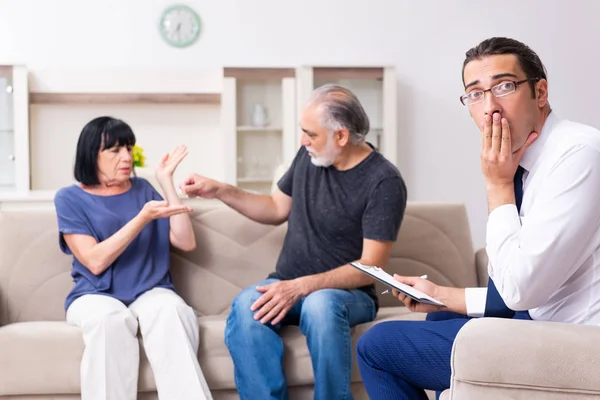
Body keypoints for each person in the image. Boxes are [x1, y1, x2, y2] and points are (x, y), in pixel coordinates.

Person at [356, 36, 600, 399]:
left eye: (504, 86)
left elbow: (520, 292)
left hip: (571, 340)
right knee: (439, 317)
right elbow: (515, 286)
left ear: (541, 92)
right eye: (475, 93)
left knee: (377, 346)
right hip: (540, 316)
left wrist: (498, 186)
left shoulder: (578, 156)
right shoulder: (525, 161)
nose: (490, 108)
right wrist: (439, 294)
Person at [180, 84, 407, 400]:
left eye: (310, 134)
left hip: (350, 296)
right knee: (247, 308)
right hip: (288, 283)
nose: (303, 141)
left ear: (341, 136)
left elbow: (372, 266)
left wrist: (301, 287)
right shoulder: (309, 156)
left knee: (320, 304)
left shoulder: (383, 181)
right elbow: (276, 208)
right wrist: (220, 190)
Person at [54, 116, 213, 400]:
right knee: (108, 321)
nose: (126, 156)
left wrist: (166, 181)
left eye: (128, 147)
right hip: (94, 294)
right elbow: (94, 261)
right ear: (92, 154)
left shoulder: (143, 190)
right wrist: (142, 218)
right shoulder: (69, 198)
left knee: (172, 312)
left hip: (151, 290)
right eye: (115, 150)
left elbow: (185, 242)